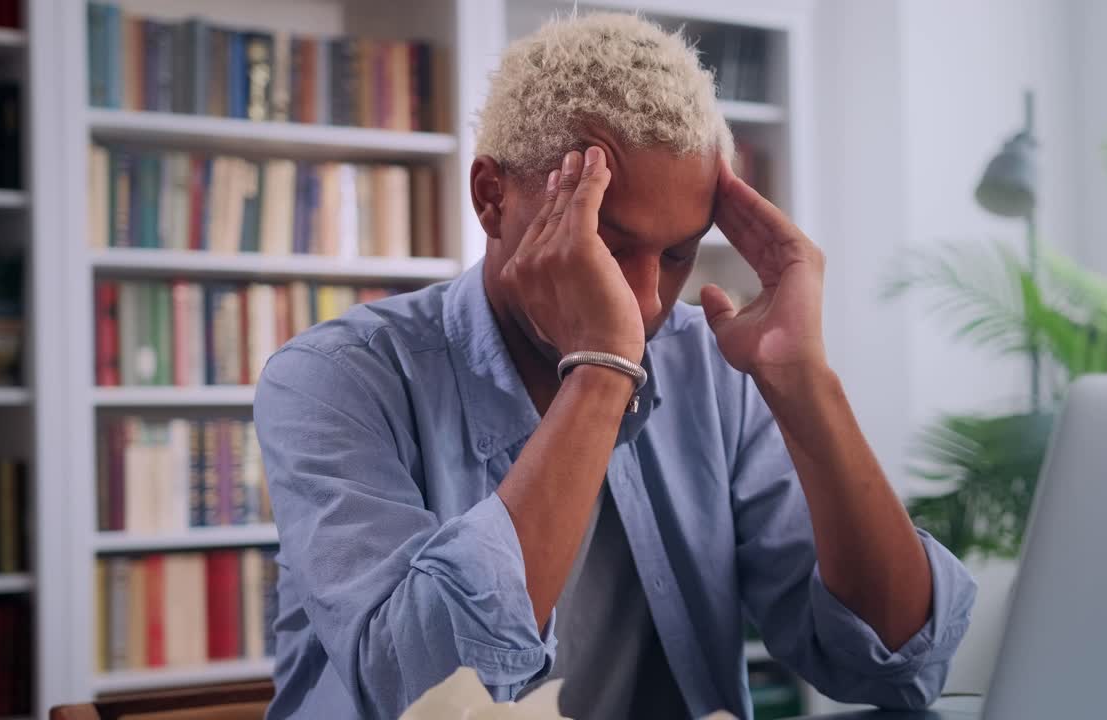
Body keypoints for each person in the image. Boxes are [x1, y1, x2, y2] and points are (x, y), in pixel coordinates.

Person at [255, 12, 976, 720]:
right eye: (605, 240)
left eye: (676, 254)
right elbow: (424, 695)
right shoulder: (332, 379)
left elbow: (898, 667)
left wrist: (804, 383)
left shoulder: (714, 368)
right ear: (491, 197)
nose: (643, 299)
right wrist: (602, 371)